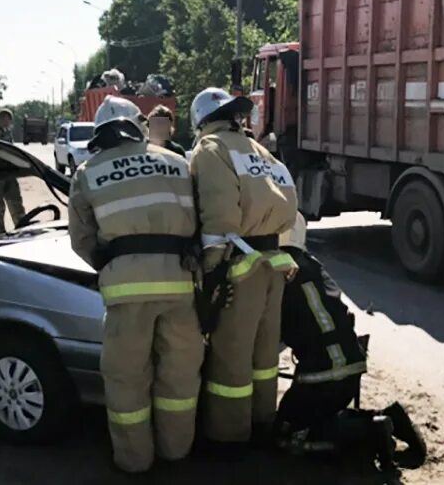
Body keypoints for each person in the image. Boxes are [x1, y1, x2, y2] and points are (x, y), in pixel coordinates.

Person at [68, 96, 204, 473]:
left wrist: (111, 265)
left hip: (125, 293)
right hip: (181, 286)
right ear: (139, 124)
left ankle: (134, 461)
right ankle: (176, 453)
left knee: (126, 380)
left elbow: (82, 240)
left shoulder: (87, 171)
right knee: (179, 375)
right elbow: (203, 220)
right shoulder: (178, 162)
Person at [189, 87, 298, 452]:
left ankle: (229, 436)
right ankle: (262, 420)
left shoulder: (211, 150)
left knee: (231, 355)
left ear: (200, 121)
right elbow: (290, 208)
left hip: (239, 266)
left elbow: (219, 218)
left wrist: (212, 273)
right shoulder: (262, 152)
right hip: (273, 263)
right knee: (264, 354)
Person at [275, 213, 427, 474]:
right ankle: (390, 416)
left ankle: (371, 429)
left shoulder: (279, 273)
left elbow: (273, 339)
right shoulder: (312, 265)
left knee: (287, 439)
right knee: (299, 417)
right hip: (348, 366)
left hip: (323, 375)